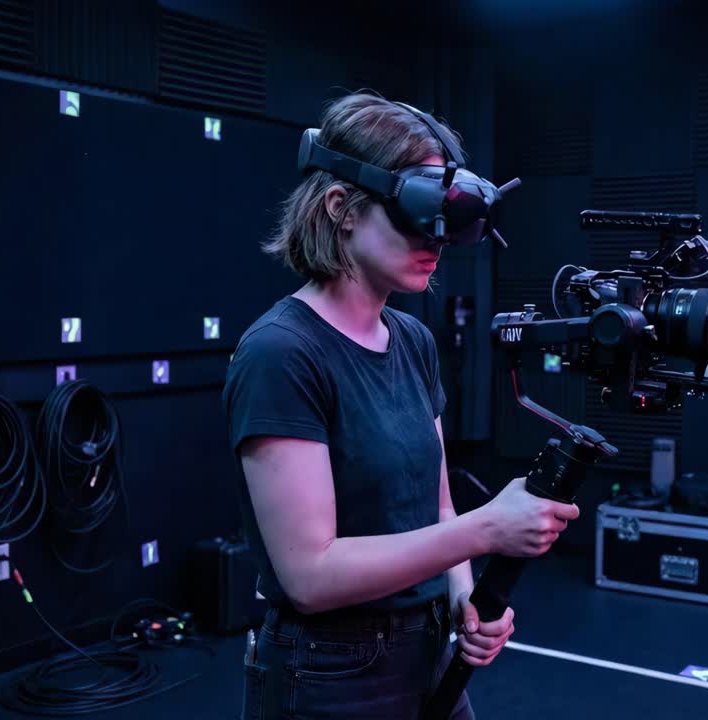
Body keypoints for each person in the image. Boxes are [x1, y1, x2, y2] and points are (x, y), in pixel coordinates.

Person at [222, 91, 581, 719]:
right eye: (419, 210)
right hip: (329, 671)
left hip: (426, 650)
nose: (437, 238)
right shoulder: (281, 354)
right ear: (341, 207)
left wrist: (467, 600)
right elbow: (309, 575)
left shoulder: (411, 339)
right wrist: (489, 527)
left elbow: (437, 505)